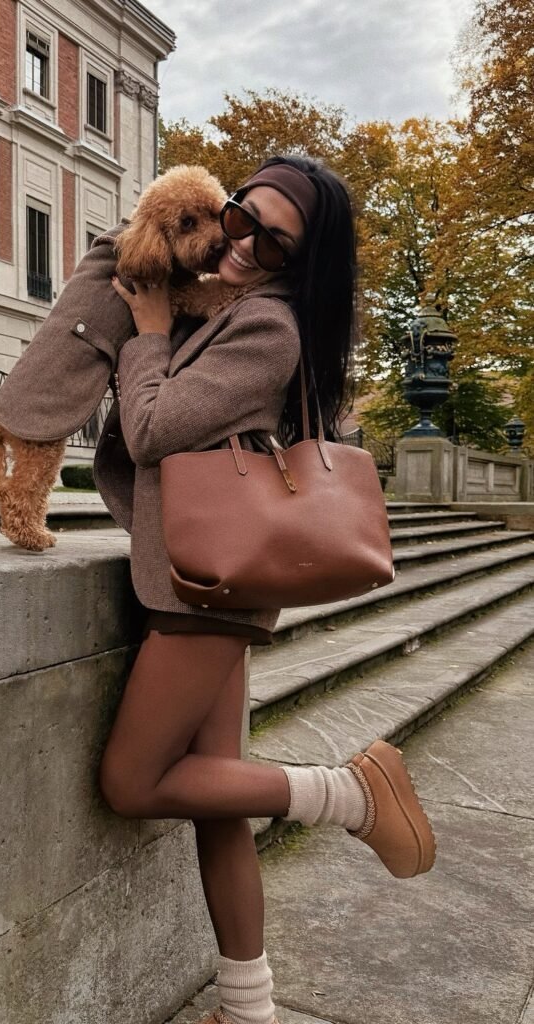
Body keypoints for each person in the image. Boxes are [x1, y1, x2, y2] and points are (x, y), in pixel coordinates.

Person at [97, 154, 436, 1024]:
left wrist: (145, 328)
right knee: (219, 802)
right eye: (241, 218)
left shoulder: (269, 328)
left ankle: (346, 793)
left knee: (133, 784)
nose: (243, 245)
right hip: (202, 579)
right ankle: (250, 1009)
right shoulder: (238, 304)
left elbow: (149, 430)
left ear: (304, 263)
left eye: (275, 245)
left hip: (204, 592)